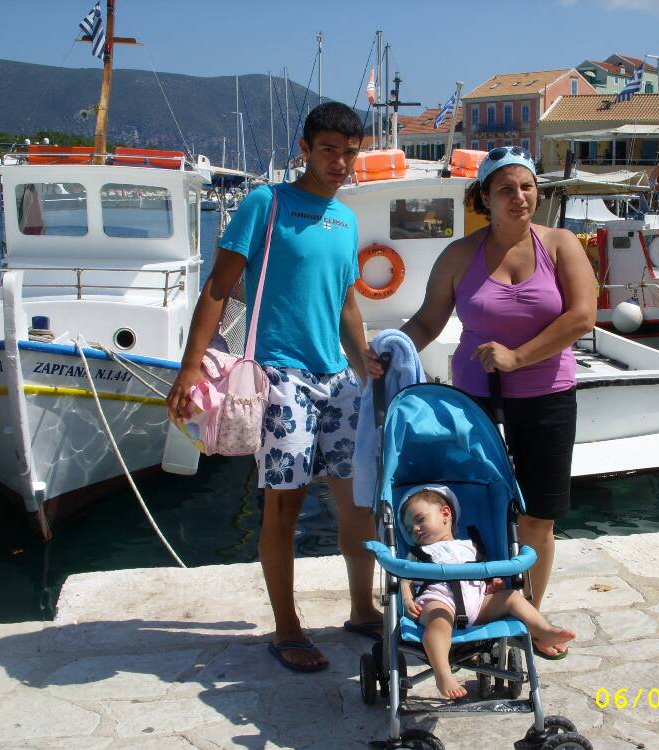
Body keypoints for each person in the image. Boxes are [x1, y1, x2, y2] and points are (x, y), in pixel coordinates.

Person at [167, 101, 382, 673]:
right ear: (305, 148)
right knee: (283, 507)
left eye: (349, 153)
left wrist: (365, 367)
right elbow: (218, 287)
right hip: (281, 378)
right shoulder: (267, 202)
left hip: (337, 381)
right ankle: (287, 628)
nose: (339, 163)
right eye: (329, 150)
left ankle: (363, 608)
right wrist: (190, 368)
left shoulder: (345, 220)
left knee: (358, 501)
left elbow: (347, 303)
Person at [392, 145, 596, 658]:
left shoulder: (561, 244)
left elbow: (581, 316)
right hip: (475, 405)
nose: (519, 197)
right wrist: (387, 352)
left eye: (527, 186)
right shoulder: (459, 255)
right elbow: (427, 321)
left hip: (548, 399)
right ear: (484, 197)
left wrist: (517, 357)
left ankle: (528, 618)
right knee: (480, 511)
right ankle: (474, 604)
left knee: (538, 518)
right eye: (506, 189)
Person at [398, 486, 575, 699]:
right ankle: (443, 674)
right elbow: (405, 579)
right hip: (439, 601)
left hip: (477, 603)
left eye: (420, 519)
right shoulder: (418, 553)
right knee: (438, 623)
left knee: (512, 597)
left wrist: (493, 583)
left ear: (445, 514)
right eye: (409, 529)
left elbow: (485, 572)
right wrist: (407, 599)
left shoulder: (470, 546)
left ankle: (542, 631)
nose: (415, 529)